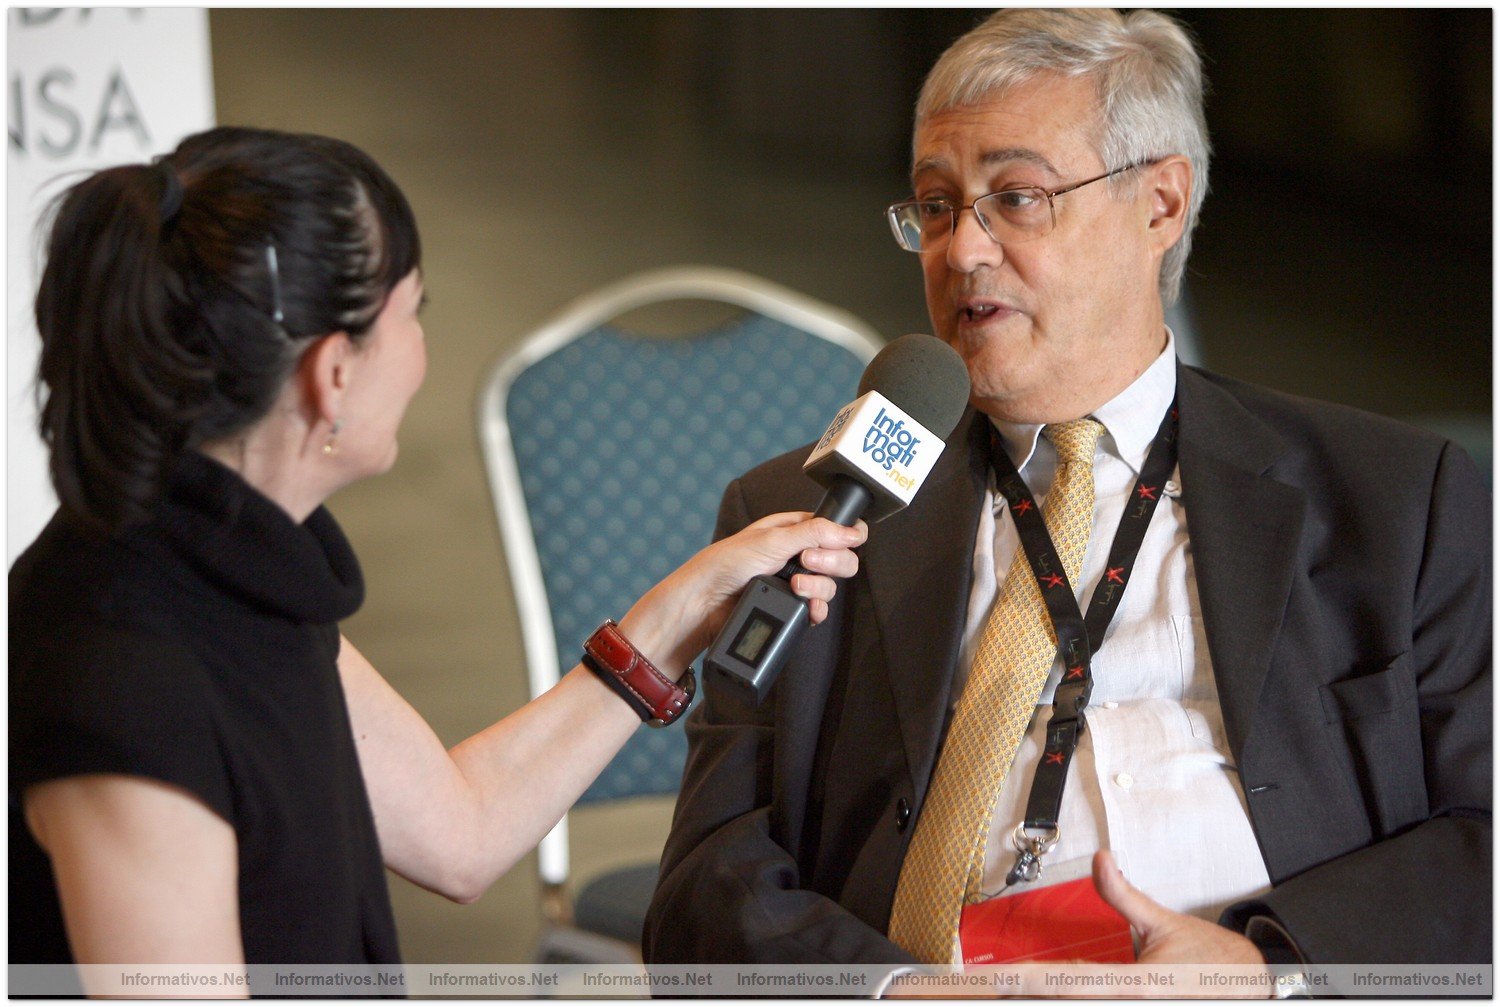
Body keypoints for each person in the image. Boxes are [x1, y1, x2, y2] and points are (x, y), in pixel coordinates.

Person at [643, 7, 1490, 980]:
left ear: (1160, 205)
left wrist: (1269, 968)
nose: (961, 250)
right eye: (936, 204)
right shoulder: (811, 517)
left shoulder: (1389, 499)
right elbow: (707, 887)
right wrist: (896, 990)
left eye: (1016, 197)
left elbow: (1483, 837)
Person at [8, 126, 867, 983]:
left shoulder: (226, 565)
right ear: (333, 374)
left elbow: (461, 829)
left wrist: (681, 612)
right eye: (412, 313)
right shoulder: (122, 682)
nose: (421, 353)